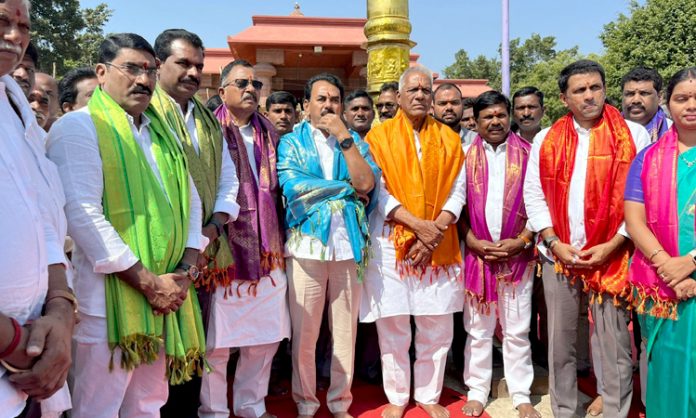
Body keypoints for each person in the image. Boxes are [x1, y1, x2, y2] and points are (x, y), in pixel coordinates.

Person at [47, 33, 207, 418]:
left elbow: (191, 203)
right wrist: (149, 283)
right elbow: (82, 214)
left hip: (167, 295)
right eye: (131, 68)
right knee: (98, 407)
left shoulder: (161, 135)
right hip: (108, 300)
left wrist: (182, 273)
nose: (144, 80)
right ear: (102, 73)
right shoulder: (78, 128)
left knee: (148, 405)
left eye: (149, 70)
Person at [523, 59, 651, 418]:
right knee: (560, 344)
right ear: (565, 98)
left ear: (605, 89)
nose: (589, 96)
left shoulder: (632, 135)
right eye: (580, 90)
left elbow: (640, 198)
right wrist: (552, 241)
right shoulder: (546, 138)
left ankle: (615, 411)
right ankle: (564, 410)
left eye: (595, 87)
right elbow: (533, 194)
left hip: (612, 257)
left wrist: (613, 243)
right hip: (559, 256)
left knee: (613, 345)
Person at [361, 65, 466, 418]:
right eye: (414, 90)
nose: (420, 95)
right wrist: (417, 225)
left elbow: (458, 191)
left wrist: (433, 230)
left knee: (436, 323)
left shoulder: (451, 139)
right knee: (393, 324)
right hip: (393, 240)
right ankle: (396, 396)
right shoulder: (378, 138)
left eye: (426, 90)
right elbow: (376, 189)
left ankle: (429, 394)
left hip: (439, 243)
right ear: (401, 96)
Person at [277, 72, 379, 418]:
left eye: (334, 99)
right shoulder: (291, 142)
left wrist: (344, 138)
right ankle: (306, 403)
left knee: (345, 334)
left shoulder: (353, 142)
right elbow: (293, 188)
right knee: (305, 334)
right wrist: (346, 189)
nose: (328, 105)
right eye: (321, 99)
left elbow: (367, 181)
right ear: (306, 106)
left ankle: (340, 403)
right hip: (306, 249)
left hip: (347, 247)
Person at [151, 28, 240, 418]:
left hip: (206, 254)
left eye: (199, 66)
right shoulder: (145, 114)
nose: (193, 72)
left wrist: (212, 229)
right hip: (160, 256)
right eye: (183, 63)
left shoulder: (206, 118)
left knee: (196, 348)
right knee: (154, 361)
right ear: (158, 65)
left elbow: (228, 181)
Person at [0, 1, 74, 417]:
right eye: (1, 22)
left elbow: (40, 220)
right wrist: (16, 342)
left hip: (26, 373)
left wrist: (61, 311)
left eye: (22, 25)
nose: (14, 36)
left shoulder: (12, 103)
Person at [206, 59, 291, 418]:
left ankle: (250, 407)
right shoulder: (206, 130)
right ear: (221, 90)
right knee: (218, 343)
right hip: (223, 248)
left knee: (265, 337)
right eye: (241, 82)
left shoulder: (272, 133)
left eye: (255, 84)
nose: (250, 89)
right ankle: (213, 411)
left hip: (269, 248)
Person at [460, 91, 540, 418]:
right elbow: (457, 206)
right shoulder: (463, 156)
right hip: (477, 257)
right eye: (487, 117)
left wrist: (521, 240)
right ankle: (477, 390)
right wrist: (472, 241)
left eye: (500, 115)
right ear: (475, 122)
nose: (495, 121)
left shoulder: (531, 154)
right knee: (478, 330)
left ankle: (521, 394)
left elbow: (540, 203)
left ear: (509, 117)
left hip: (517, 258)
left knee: (517, 330)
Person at [625, 66, 696, 418]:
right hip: (662, 282)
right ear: (668, 105)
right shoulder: (647, 159)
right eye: (682, 98)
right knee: (666, 367)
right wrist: (668, 265)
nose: (691, 105)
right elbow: (634, 220)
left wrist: (692, 262)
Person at [621, 66, 672, 142]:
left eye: (644, 93)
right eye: (630, 94)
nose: (636, 100)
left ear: (660, 97)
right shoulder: (607, 130)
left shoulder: (675, 131)